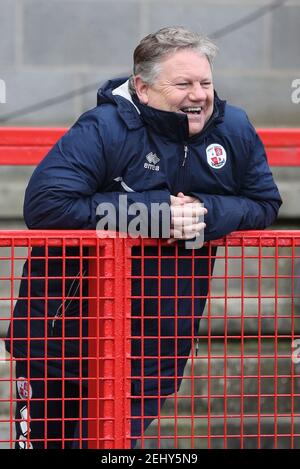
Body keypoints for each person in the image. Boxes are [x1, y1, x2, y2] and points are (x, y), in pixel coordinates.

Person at [6, 26, 282, 449]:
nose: (199, 95)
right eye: (184, 84)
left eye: (206, 83)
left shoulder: (235, 128)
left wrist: (208, 214)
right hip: (60, 340)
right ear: (143, 87)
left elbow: (264, 203)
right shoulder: (103, 128)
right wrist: (155, 217)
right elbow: (46, 206)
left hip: (154, 346)